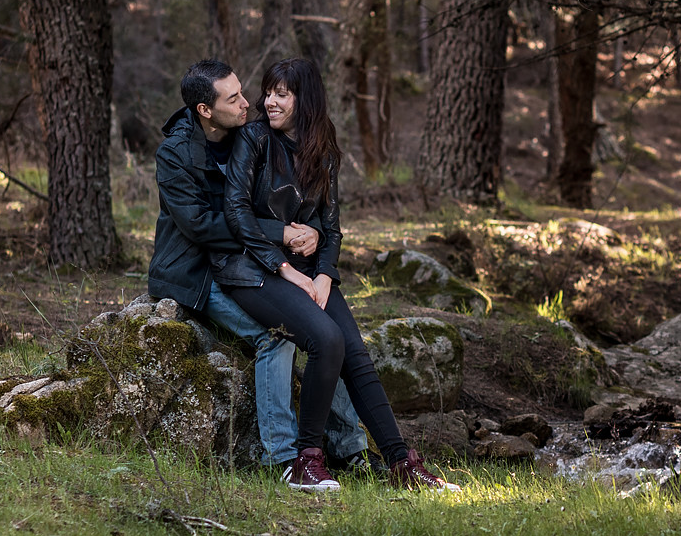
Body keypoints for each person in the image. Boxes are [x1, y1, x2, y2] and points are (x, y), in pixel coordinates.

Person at [218, 57, 458, 493]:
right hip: (252, 267)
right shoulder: (252, 139)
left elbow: (331, 227)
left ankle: (402, 463)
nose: (267, 102)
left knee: (354, 352)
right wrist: (286, 265)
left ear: (304, 100)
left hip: (309, 270)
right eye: (268, 92)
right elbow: (235, 213)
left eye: (281, 94)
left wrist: (326, 274)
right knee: (324, 340)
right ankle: (305, 463)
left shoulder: (323, 150)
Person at [146, 59, 373, 471]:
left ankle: (350, 449)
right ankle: (283, 459)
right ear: (205, 110)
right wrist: (280, 233)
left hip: (249, 259)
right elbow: (202, 226)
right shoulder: (175, 154)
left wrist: (313, 232)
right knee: (279, 336)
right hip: (198, 271)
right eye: (233, 98)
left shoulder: (246, 136)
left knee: (323, 329)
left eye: (242, 90)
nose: (249, 102)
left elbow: (285, 198)